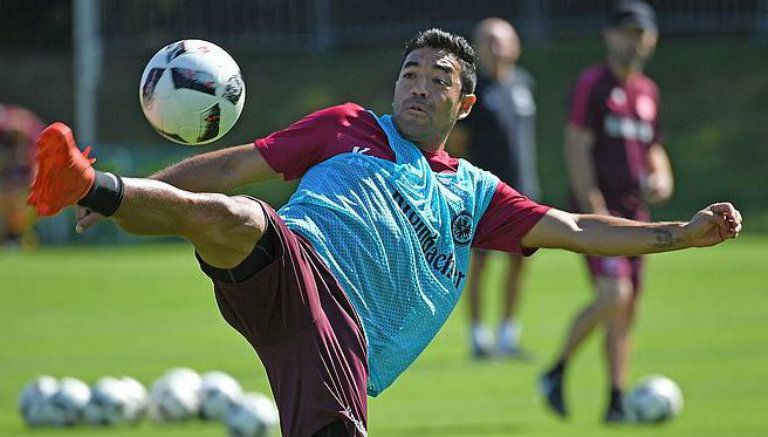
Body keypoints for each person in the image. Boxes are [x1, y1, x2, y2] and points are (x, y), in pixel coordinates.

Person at [28, 28, 740, 437]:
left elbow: (577, 224)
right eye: (410, 73)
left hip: (344, 340)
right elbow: (240, 164)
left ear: (463, 103)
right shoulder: (349, 126)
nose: (418, 86)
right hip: (292, 265)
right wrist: (121, 194)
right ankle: (85, 182)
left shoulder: (475, 193)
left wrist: (680, 233)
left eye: (437, 79)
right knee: (240, 220)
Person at [539, 0, 676, 423]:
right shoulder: (593, 84)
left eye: (643, 34)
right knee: (613, 295)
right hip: (601, 211)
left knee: (628, 306)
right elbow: (577, 145)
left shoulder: (647, 91)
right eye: (627, 33)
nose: (635, 42)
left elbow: (655, 149)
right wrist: (593, 210)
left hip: (636, 214)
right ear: (609, 36)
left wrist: (662, 178)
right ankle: (556, 369)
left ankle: (616, 398)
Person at [461, 17, 541, 358]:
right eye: (488, 40)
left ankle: (508, 335)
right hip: (484, 193)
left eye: (502, 40)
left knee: (519, 261)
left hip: (523, 188)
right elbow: (458, 143)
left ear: (515, 44)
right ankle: (479, 336)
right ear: (477, 48)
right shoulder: (474, 93)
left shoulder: (524, 83)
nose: (496, 46)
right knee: (478, 263)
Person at [0, 103, 45, 248]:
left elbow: (33, 176)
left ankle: (17, 237)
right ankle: (12, 237)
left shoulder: (30, 155)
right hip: (10, 189)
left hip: (22, 192)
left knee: (17, 205)